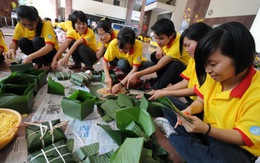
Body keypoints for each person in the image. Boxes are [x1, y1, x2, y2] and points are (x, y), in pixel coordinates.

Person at [156, 22, 260, 162]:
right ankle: (193, 143)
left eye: (213, 64)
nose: (207, 70)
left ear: (239, 57)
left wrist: (206, 129)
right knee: (167, 103)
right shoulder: (214, 75)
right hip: (207, 128)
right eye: (205, 64)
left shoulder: (256, 91)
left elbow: (243, 137)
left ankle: (175, 137)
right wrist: (188, 111)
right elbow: (201, 100)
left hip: (234, 145)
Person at [149, 22, 212, 105]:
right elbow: (184, 83)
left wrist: (165, 93)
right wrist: (161, 91)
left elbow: (196, 90)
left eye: (188, 45)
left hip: (202, 102)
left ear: (203, 41)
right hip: (195, 98)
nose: (186, 50)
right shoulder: (193, 60)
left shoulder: (210, 66)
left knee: (169, 104)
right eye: (185, 46)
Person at [127, 18, 191, 90]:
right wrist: (159, 48)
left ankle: (156, 88)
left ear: (171, 35)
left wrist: (138, 74)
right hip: (176, 63)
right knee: (154, 55)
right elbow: (158, 44)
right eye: (155, 38)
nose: (157, 41)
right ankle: (160, 79)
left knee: (176, 65)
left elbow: (159, 65)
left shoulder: (177, 46)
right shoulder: (170, 37)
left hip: (185, 75)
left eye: (161, 39)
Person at [3, 5, 59, 70]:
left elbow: (49, 47)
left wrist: (30, 57)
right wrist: (12, 49)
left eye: (30, 24)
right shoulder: (19, 25)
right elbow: (14, 42)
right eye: (24, 25)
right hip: (37, 54)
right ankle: (38, 63)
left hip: (52, 54)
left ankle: (48, 63)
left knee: (37, 41)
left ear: (37, 20)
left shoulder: (46, 25)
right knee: (22, 41)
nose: (27, 27)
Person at [102, 27, 154, 94]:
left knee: (150, 65)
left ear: (132, 45)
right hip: (125, 65)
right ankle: (128, 77)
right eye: (120, 47)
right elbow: (105, 60)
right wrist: (107, 76)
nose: (121, 50)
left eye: (126, 48)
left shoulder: (138, 45)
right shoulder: (113, 43)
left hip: (136, 66)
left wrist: (121, 84)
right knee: (122, 63)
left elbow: (135, 68)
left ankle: (131, 78)